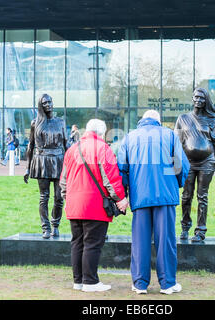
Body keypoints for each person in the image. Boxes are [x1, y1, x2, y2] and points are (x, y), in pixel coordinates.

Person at [117, 110, 190, 295]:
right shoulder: (170, 135)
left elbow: (122, 169)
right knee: (165, 240)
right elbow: (180, 165)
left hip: (140, 195)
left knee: (140, 240)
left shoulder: (129, 138)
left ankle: (140, 284)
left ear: (142, 120)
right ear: (158, 121)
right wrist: (176, 183)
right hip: (164, 194)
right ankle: (167, 284)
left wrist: (125, 193)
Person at [60, 119, 128, 292]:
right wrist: (120, 199)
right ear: (102, 133)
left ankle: (79, 281)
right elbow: (111, 179)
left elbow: (63, 182)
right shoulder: (102, 148)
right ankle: (90, 282)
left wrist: (68, 199)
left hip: (74, 204)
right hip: (94, 204)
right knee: (92, 244)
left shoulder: (72, 149)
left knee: (77, 242)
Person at [174, 88, 215, 242]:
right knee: (186, 196)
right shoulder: (182, 119)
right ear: (192, 98)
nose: (198, 100)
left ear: (206, 101)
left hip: (207, 162)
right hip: (188, 162)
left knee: (202, 197)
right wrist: (175, 167)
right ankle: (184, 228)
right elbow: (176, 144)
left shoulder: (212, 120)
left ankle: (200, 231)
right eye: (196, 97)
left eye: (202, 98)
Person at [24, 94, 68, 239]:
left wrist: (72, 165)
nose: (48, 104)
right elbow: (30, 146)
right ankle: (46, 228)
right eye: (45, 103)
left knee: (58, 197)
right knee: (44, 197)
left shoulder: (60, 122)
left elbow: (66, 145)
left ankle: (55, 225)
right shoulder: (35, 123)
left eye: (50, 101)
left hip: (58, 161)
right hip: (41, 160)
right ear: (40, 106)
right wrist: (27, 168)